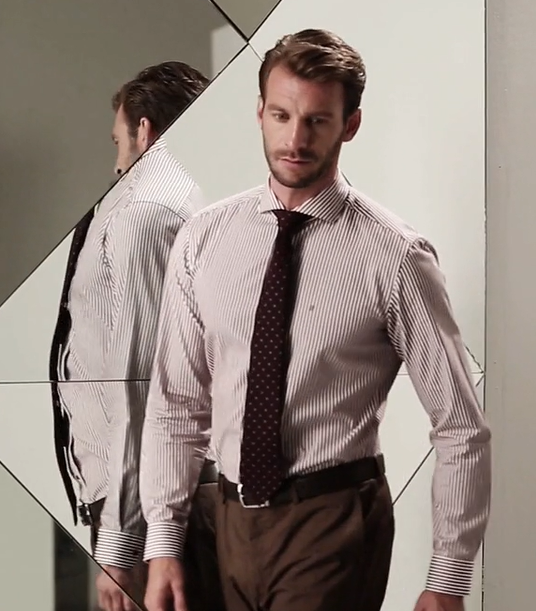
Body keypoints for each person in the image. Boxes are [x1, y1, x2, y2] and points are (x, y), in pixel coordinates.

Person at [138, 28, 491, 611]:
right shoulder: (204, 239)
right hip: (224, 523)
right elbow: (176, 403)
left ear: (350, 125)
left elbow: (460, 425)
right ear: (259, 112)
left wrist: (447, 580)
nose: (295, 139)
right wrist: (163, 543)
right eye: (281, 115)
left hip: (331, 521)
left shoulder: (395, 255)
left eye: (317, 121)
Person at [47, 61, 225, 611]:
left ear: (144, 130)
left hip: (154, 511)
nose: (116, 161)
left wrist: (121, 539)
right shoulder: (176, 201)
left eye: (118, 142)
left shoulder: (145, 212)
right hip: (157, 499)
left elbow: (140, 382)